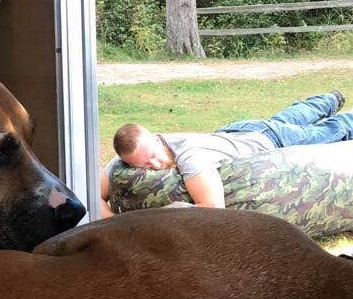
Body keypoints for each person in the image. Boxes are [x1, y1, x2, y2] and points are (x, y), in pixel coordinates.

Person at [99, 88, 353, 217]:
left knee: (329, 131)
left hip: (267, 140)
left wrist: (164, 212)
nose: (153, 165)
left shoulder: (190, 156)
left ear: (156, 138)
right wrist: (112, 221)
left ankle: (340, 112)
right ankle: (328, 98)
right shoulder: (122, 161)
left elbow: (212, 206)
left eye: (154, 156)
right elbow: (91, 195)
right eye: (143, 164)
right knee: (288, 117)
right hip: (235, 132)